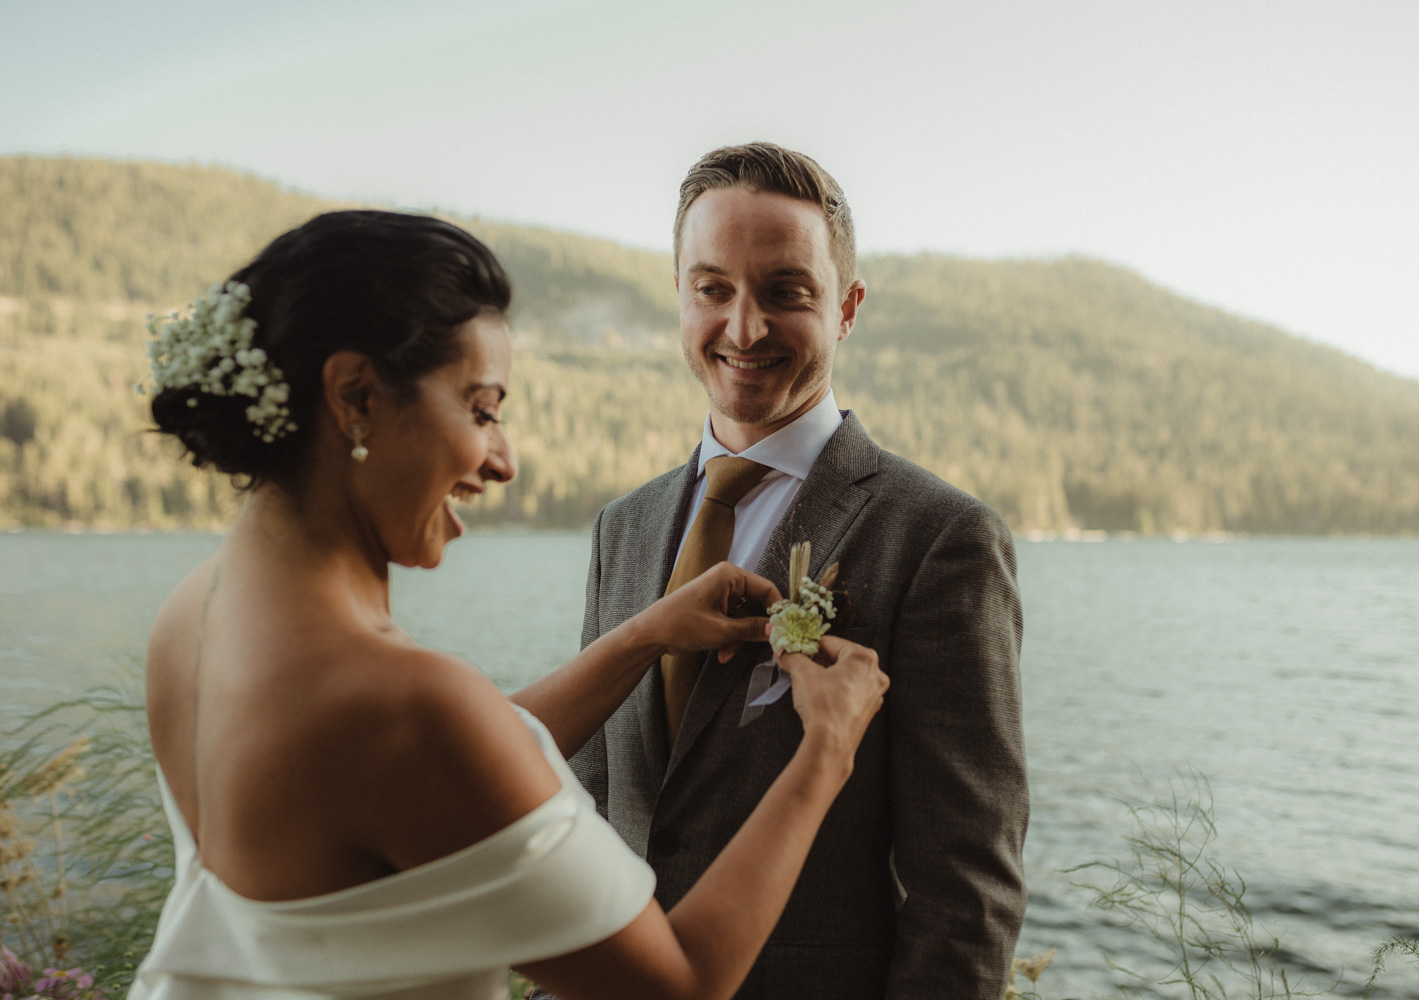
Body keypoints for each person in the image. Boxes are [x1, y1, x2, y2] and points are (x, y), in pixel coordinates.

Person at [129, 209, 888, 1000]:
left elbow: (436, 773)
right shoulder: (406, 704)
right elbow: (680, 987)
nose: (503, 461)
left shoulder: (192, 615)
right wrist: (825, 749)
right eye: (482, 409)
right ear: (355, 396)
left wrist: (641, 636)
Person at [554, 143, 1028, 999]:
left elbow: (965, 890)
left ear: (845, 308)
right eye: (713, 289)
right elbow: (581, 807)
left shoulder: (940, 538)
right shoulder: (621, 530)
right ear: (680, 295)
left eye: (786, 291)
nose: (744, 328)